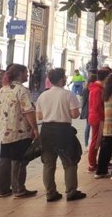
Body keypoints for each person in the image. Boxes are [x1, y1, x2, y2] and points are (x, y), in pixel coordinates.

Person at [35, 68, 86, 202]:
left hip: (46, 131)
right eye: (64, 76)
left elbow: (39, 116)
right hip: (63, 131)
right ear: (61, 79)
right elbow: (75, 114)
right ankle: (71, 191)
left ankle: (50, 193)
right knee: (69, 162)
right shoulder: (68, 95)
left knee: (48, 164)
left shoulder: (42, 96)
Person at [0, 64, 38, 198]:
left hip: (4, 131)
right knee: (18, 159)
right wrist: (35, 129)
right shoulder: (21, 90)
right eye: (26, 73)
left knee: (5, 158)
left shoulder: (2, 90)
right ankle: (19, 189)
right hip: (19, 130)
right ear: (20, 73)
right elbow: (28, 111)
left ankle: (2, 189)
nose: (27, 75)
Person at [87, 68, 110, 172]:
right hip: (98, 118)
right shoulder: (97, 90)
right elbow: (97, 106)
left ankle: (99, 160)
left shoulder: (96, 88)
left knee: (98, 140)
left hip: (95, 117)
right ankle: (92, 163)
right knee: (96, 141)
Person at [81, 74, 96, 146]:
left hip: (87, 109)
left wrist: (83, 110)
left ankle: (86, 144)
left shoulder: (85, 88)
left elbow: (83, 101)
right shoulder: (94, 88)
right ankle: (91, 143)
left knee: (88, 126)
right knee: (93, 127)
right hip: (93, 109)